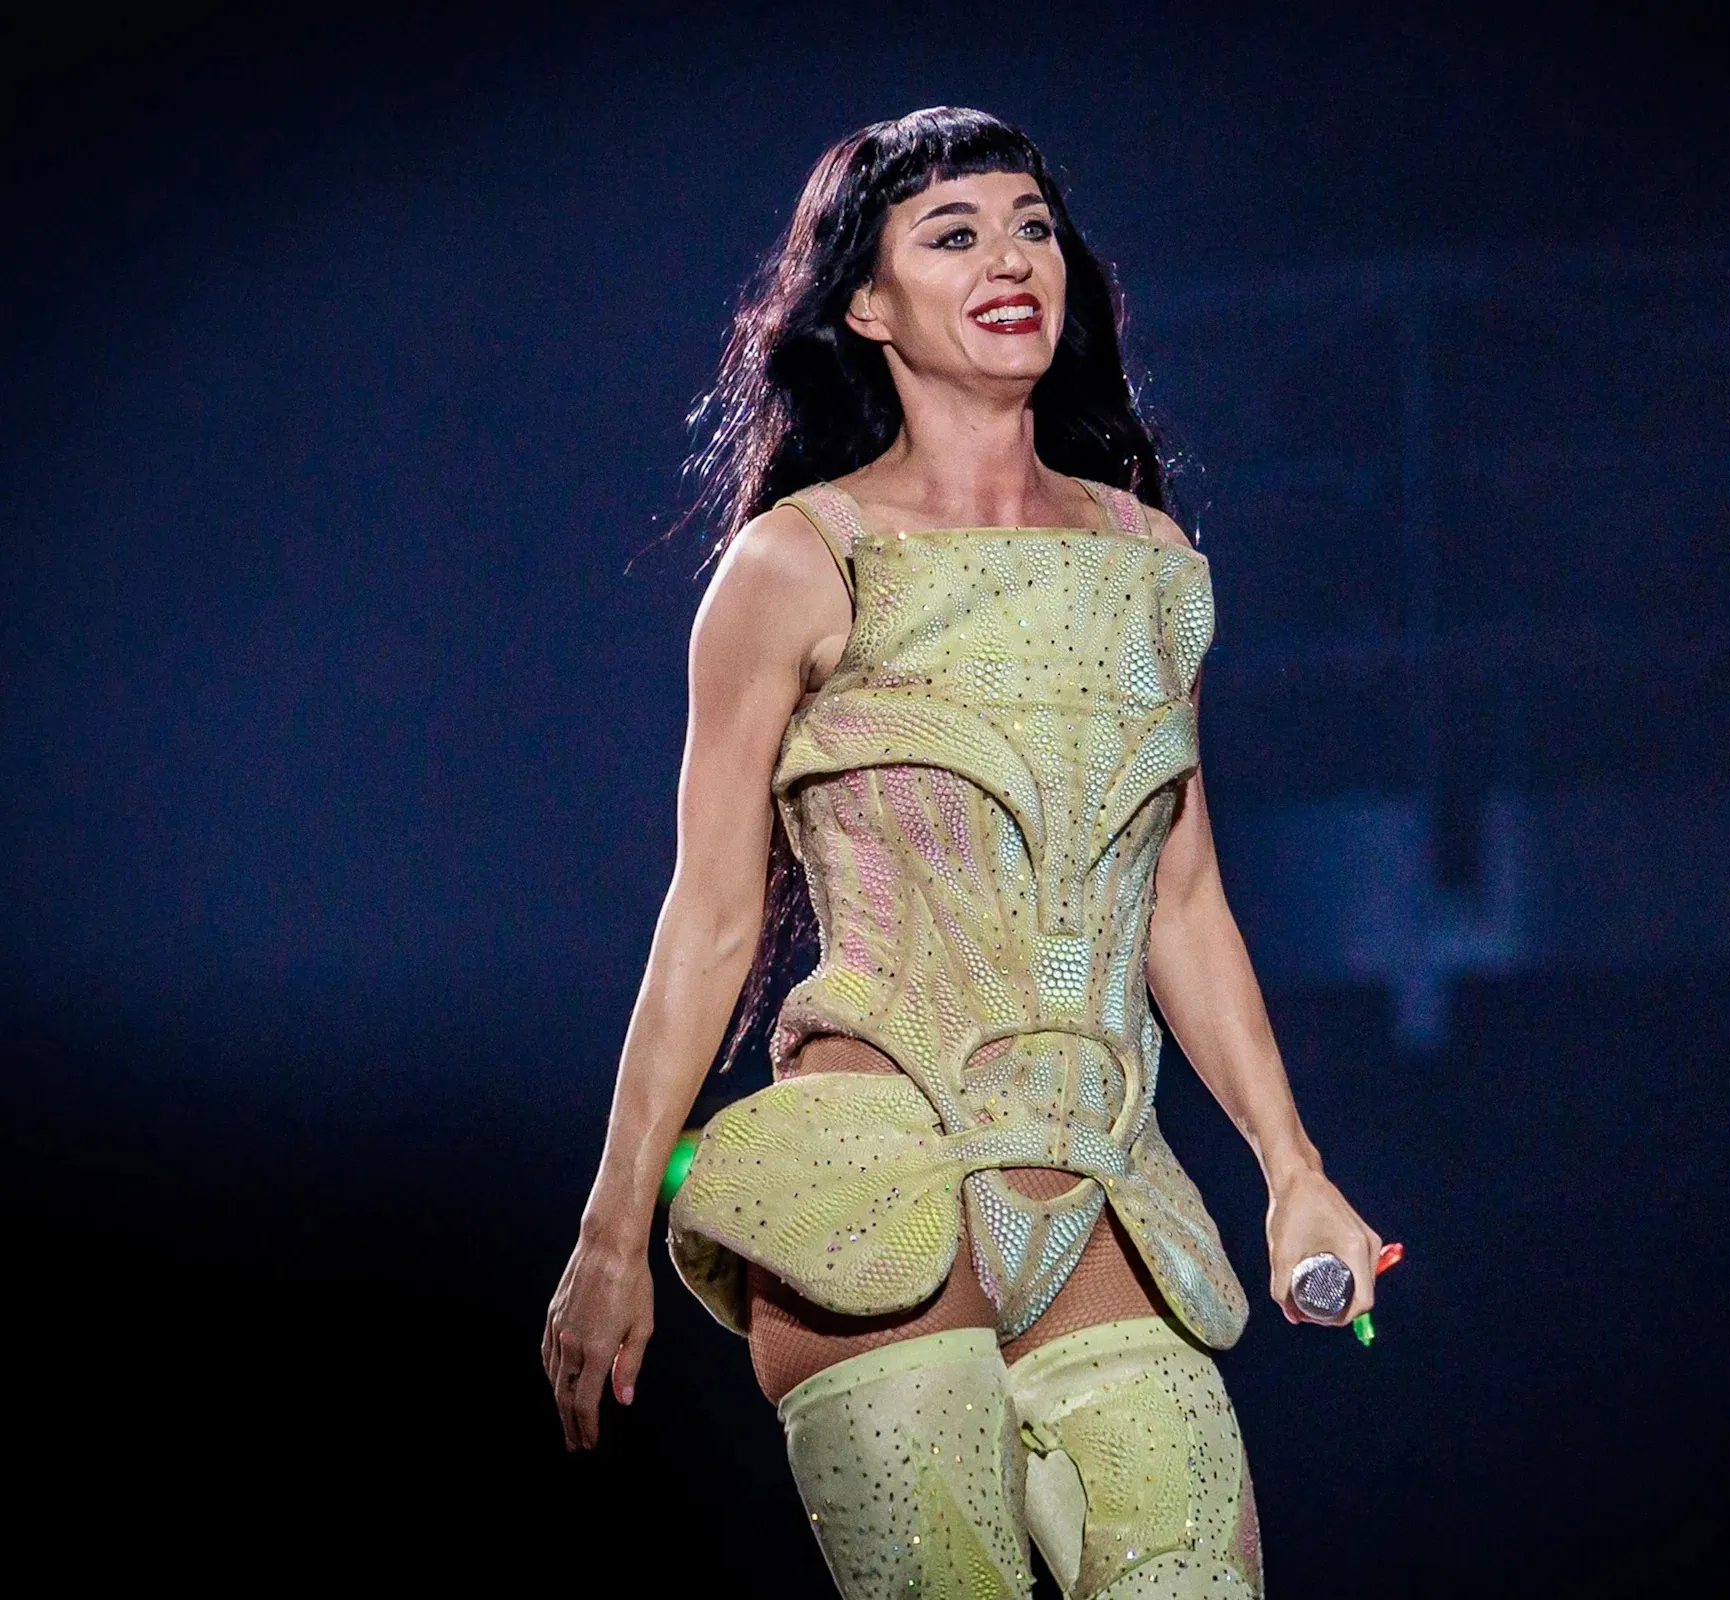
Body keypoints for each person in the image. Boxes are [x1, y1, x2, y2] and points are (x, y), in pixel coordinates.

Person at [540, 107, 1379, 1599]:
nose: (1010, 260)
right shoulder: (800, 560)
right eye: (954, 233)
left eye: (1032, 226)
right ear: (866, 305)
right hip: (873, 1174)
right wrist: (611, 1240)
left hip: (1105, 1183)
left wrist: (1293, 1169)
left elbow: (1182, 899)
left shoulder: (1154, 564)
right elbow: (710, 920)